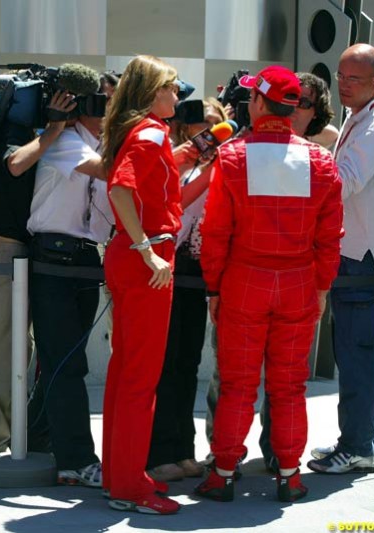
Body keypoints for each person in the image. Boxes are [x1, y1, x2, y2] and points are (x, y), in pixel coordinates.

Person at [194, 65, 343, 503]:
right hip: (298, 281)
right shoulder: (319, 160)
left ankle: (222, 473)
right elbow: (330, 235)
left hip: (243, 281)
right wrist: (321, 287)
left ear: (257, 103)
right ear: (295, 106)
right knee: (290, 385)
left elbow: (215, 231)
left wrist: (214, 289)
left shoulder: (233, 156)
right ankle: (291, 476)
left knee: (239, 384)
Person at [101, 55, 182, 515]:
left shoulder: (139, 130)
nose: (176, 95)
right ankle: (128, 487)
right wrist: (148, 248)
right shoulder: (151, 132)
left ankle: (122, 475)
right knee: (139, 378)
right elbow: (119, 189)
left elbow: (137, 191)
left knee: (125, 371)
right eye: (170, 88)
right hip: (147, 261)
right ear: (152, 93)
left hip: (134, 256)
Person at [0, 89, 76, 456]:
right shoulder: (15, 126)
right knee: (0, 348)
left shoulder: (67, 136)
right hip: (5, 246)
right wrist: (53, 128)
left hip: (38, 250)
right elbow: (15, 164)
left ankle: (21, 433)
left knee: (24, 348)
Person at [25, 64, 113, 486]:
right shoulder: (65, 140)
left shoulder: (98, 142)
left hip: (84, 260)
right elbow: (107, 172)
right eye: (108, 103)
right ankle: (76, 459)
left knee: (65, 361)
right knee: (66, 364)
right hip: (53, 261)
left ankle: (40, 435)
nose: (114, 111)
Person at [308, 43, 374, 475]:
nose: (343, 84)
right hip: (356, 254)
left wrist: (301, 168)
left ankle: (357, 446)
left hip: (361, 258)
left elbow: (346, 182)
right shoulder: (363, 115)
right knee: (354, 354)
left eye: (353, 78)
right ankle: (356, 442)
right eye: (340, 75)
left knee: (355, 355)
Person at [146, 98, 227, 483]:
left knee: (189, 363)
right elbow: (173, 207)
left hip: (200, 275)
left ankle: (183, 449)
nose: (205, 132)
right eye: (198, 123)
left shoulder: (225, 167)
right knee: (165, 363)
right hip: (166, 269)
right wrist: (204, 168)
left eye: (213, 124)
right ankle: (160, 451)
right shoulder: (173, 159)